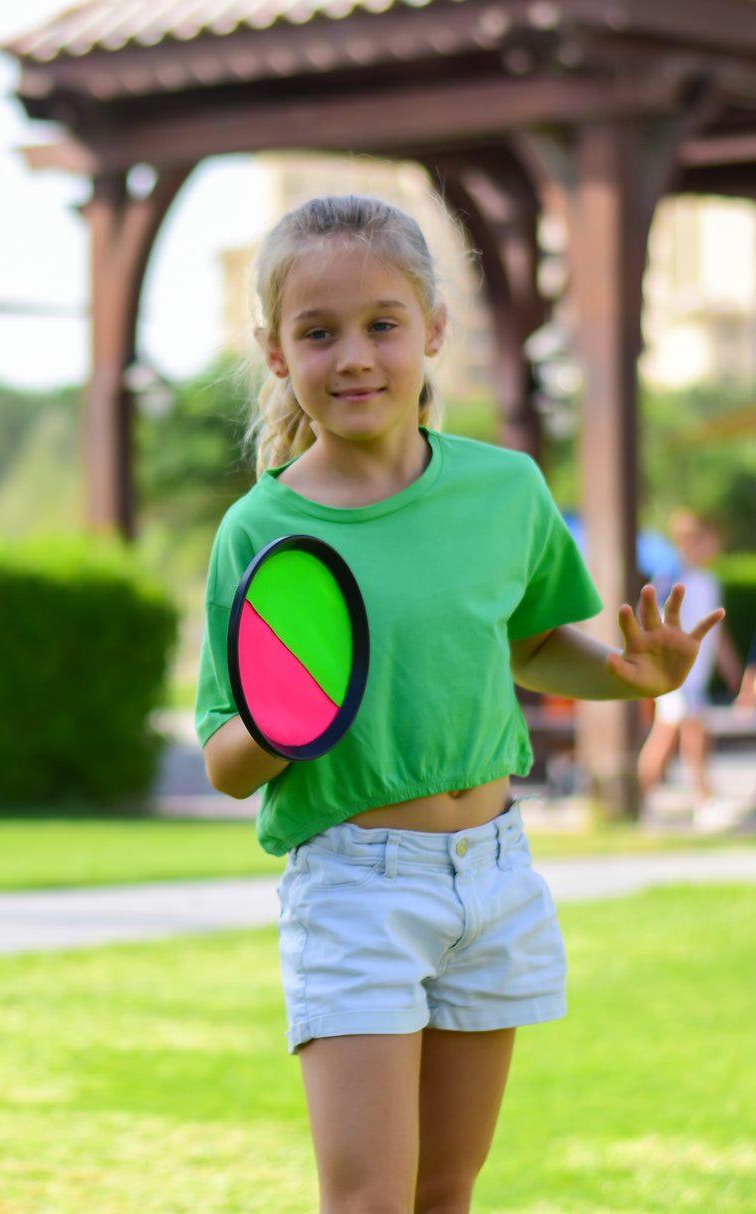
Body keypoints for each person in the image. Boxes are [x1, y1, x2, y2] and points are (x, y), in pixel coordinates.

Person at [194, 194, 724, 1214]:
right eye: (318, 332)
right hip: (354, 886)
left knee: (445, 1189)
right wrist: (281, 719)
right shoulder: (260, 527)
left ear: (434, 330)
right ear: (274, 352)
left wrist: (630, 675)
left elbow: (532, 644)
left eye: (381, 324)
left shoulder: (505, 490)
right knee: (369, 1199)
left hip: (494, 872)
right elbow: (225, 756)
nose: (353, 355)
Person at [637, 510, 743, 817]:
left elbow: (715, 631)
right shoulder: (670, 579)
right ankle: (702, 797)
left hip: (694, 678)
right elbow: (652, 625)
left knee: (671, 735)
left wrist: (731, 669)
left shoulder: (709, 582)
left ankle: (645, 796)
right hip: (673, 675)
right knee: (687, 732)